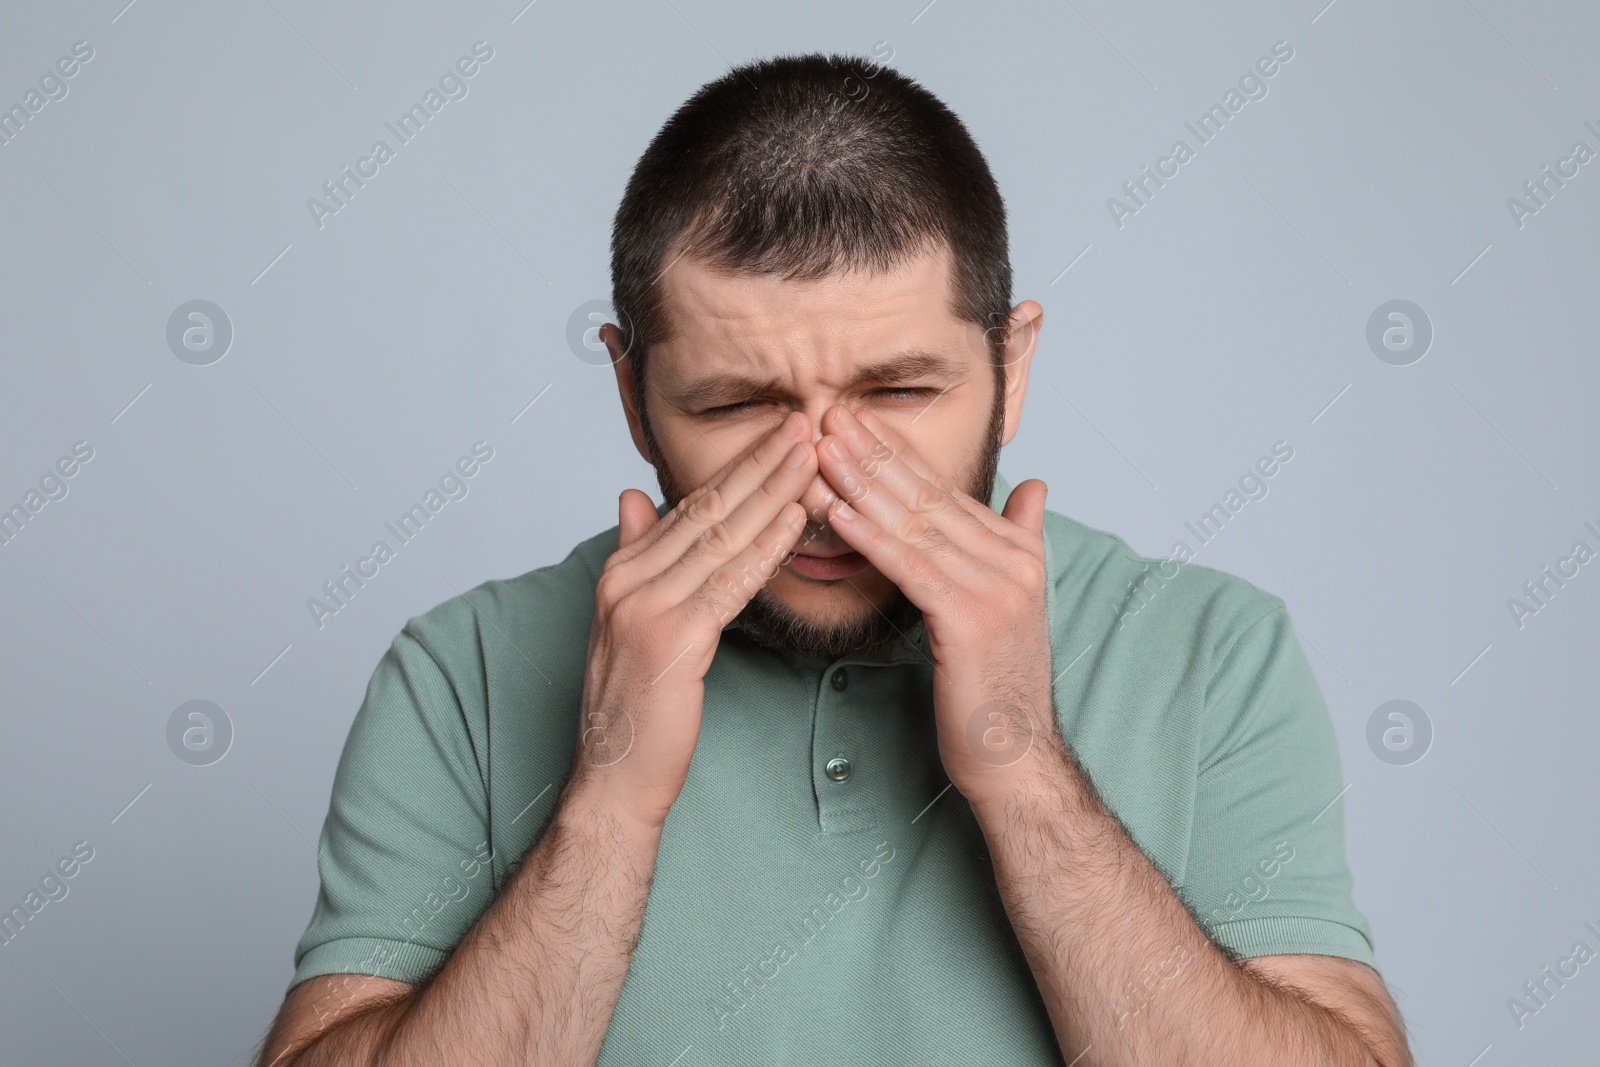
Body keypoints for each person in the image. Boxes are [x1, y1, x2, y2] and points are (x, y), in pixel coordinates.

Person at [256, 51, 1412, 1066]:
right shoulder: (461, 668)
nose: (824, 483)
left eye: (900, 392)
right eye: (736, 405)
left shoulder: (1210, 650)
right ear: (629, 393)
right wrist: (606, 803)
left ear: (1013, 369)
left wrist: (1021, 769)